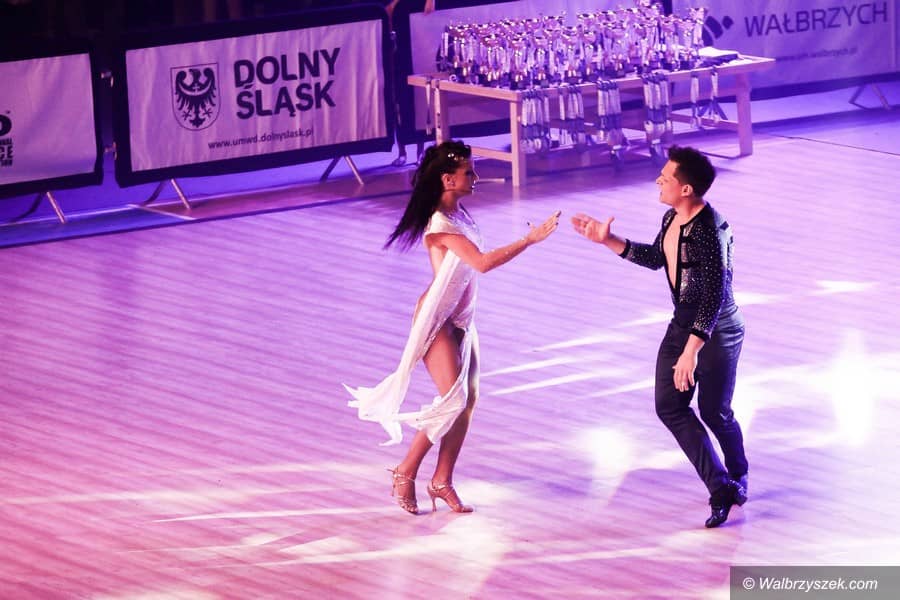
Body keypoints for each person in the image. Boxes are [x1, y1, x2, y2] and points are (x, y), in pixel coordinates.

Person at [345, 140, 560, 515]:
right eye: (469, 172)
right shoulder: (441, 224)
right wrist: (529, 240)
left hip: (462, 318)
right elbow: (481, 263)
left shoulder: (460, 214)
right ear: (448, 179)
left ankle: (441, 480)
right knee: (453, 400)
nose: (475, 177)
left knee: (467, 402)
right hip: (438, 320)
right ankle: (405, 470)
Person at [571, 145, 748, 528]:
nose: (658, 181)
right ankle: (721, 486)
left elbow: (714, 296)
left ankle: (738, 473)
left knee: (714, 411)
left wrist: (691, 351)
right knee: (669, 406)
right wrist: (608, 240)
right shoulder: (671, 218)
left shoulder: (710, 230)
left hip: (718, 329)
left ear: (686, 189)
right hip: (683, 322)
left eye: (665, 178)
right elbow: (657, 258)